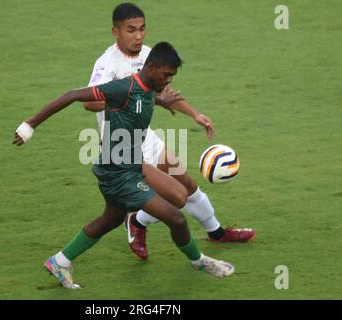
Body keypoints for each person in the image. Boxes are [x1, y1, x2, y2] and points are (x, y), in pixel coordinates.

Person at [13, 42, 234, 289]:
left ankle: (59, 261)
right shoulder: (123, 88)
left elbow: (147, 99)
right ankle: (198, 260)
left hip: (127, 166)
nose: (168, 81)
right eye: (167, 75)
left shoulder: (150, 86)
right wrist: (29, 125)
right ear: (151, 67)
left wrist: (164, 103)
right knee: (177, 219)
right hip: (119, 174)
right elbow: (73, 95)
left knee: (111, 219)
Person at [83, 3, 255, 260]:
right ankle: (137, 223)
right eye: (131, 30)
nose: (138, 35)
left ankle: (216, 232)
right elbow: (89, 101)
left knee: (186, 183)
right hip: (122, 145)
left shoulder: (148, 56)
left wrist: (195, 114)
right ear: (115, 32)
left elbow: (163, 91)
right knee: (174, 196)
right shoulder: (107, 64)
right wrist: (127, 100)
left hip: (146, 137)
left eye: (142, 29)